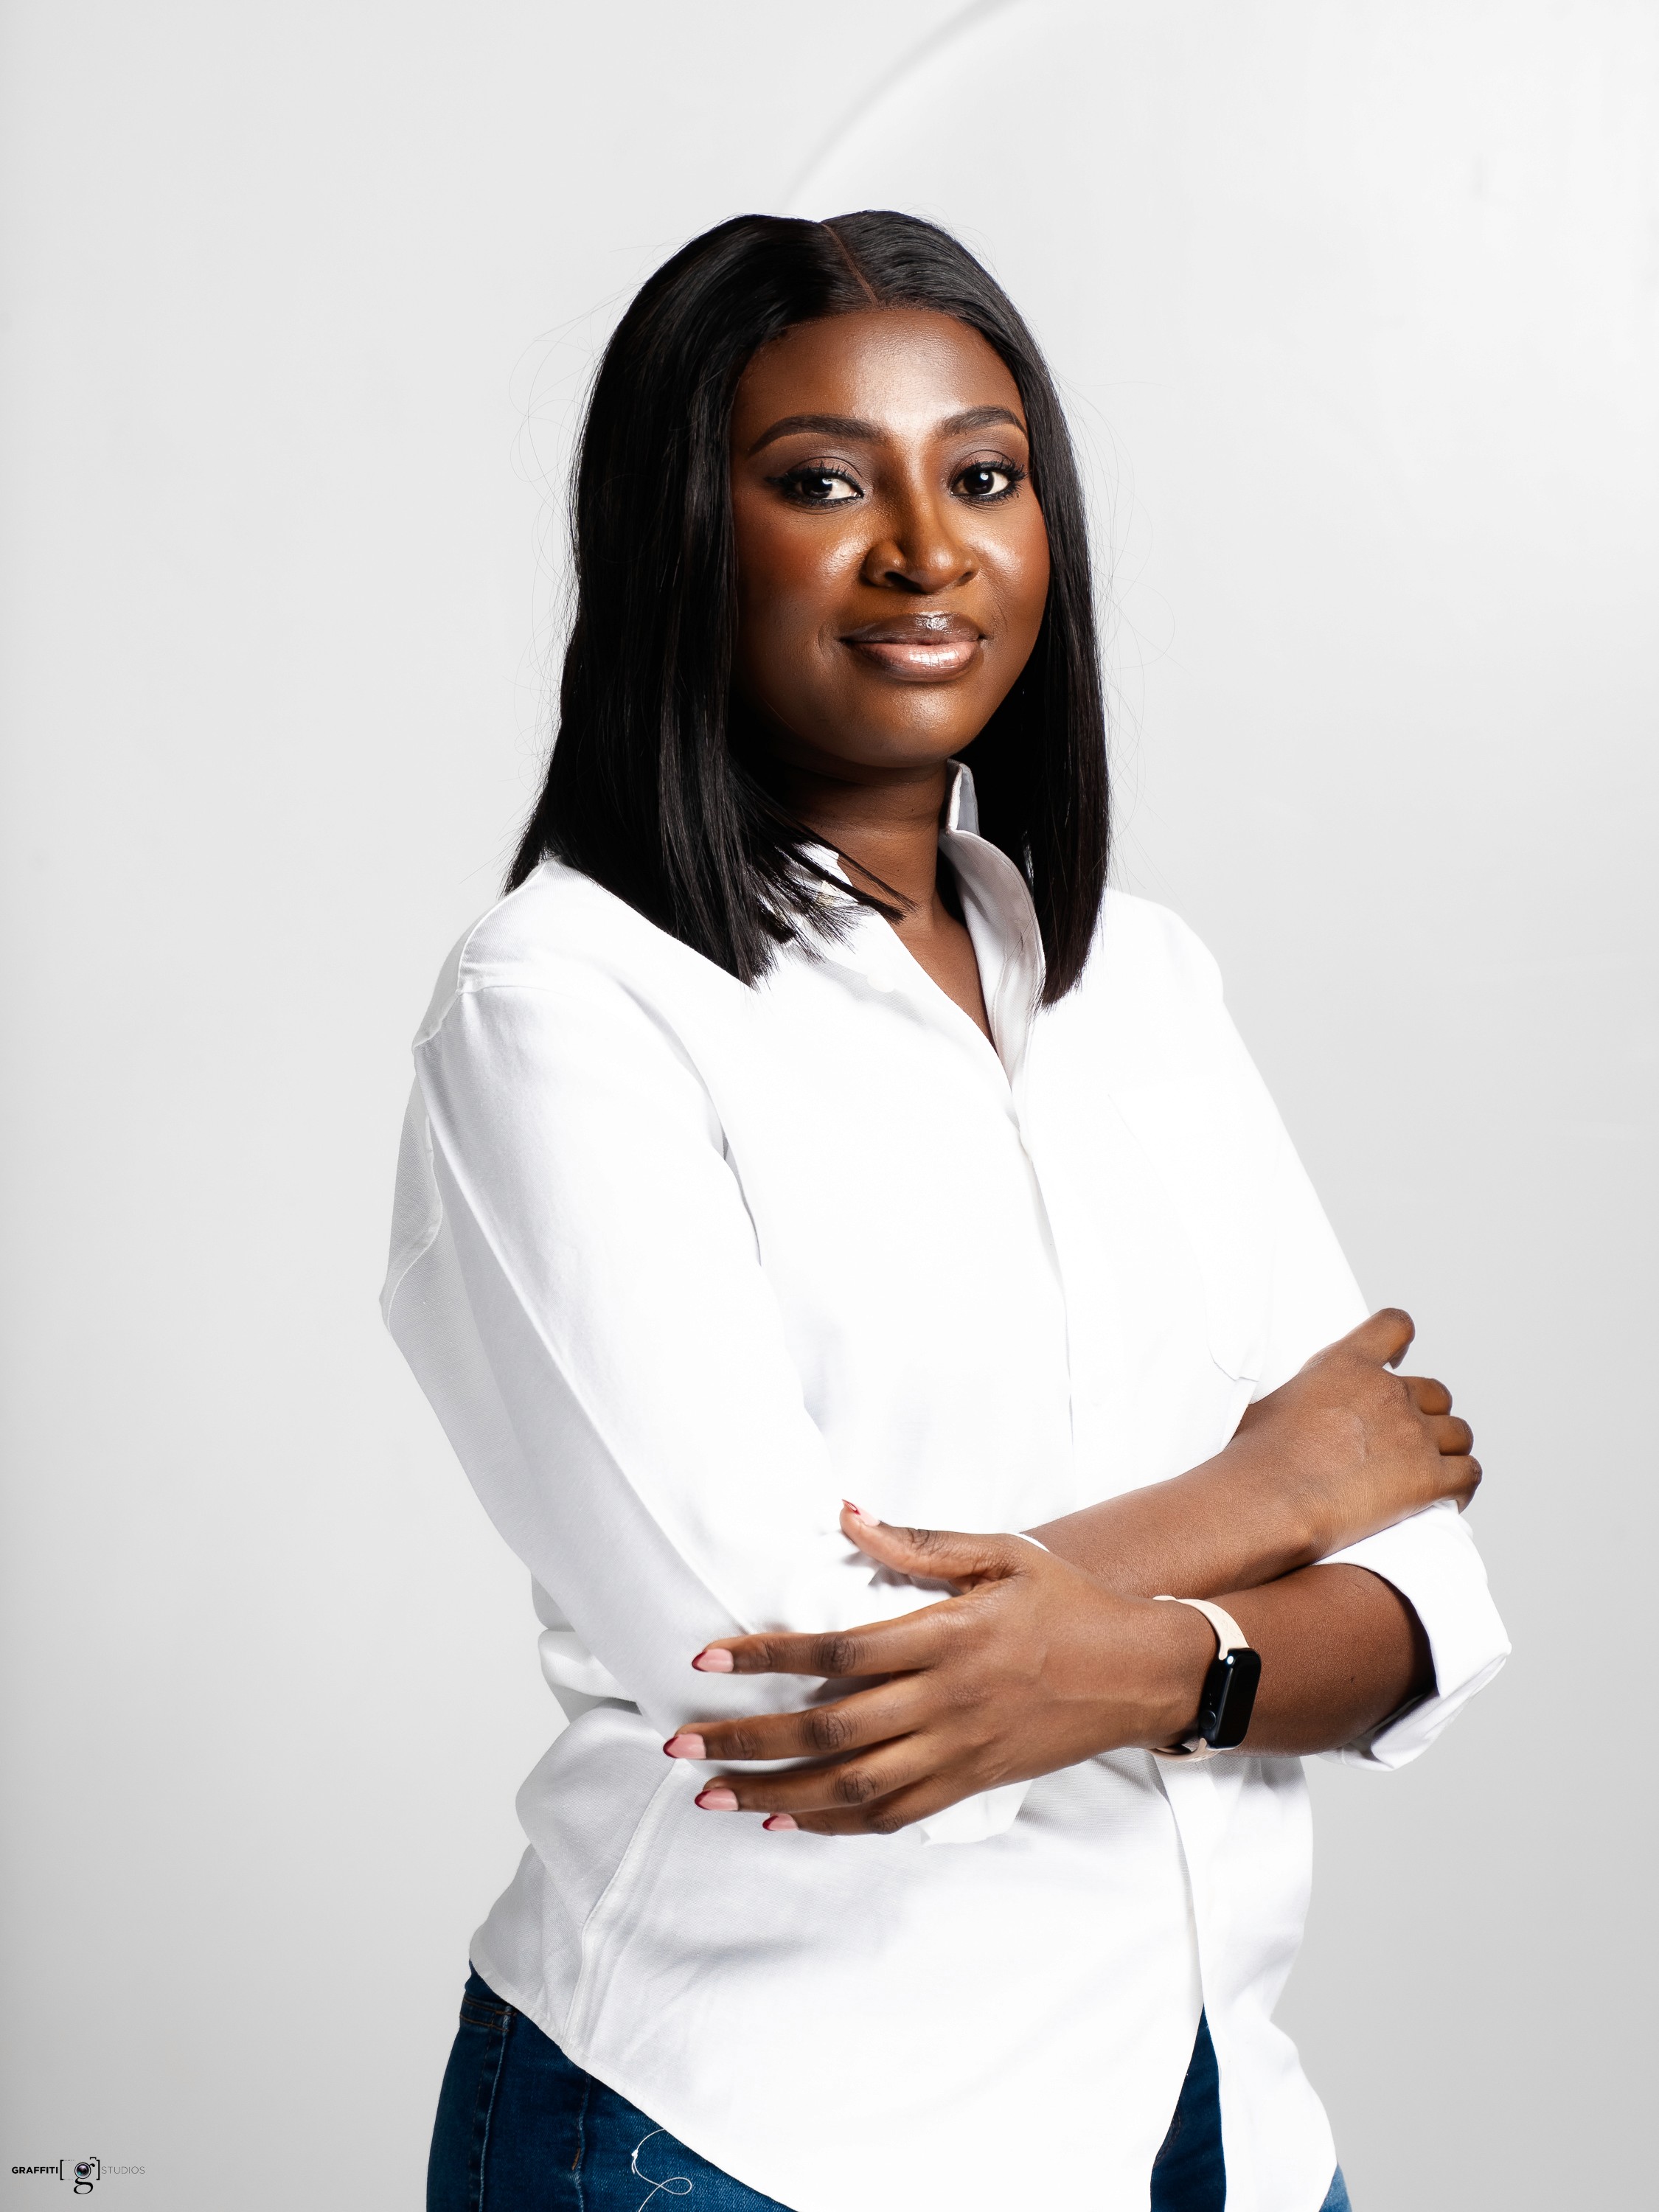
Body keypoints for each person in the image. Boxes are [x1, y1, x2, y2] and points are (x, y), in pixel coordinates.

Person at [384, 212, 1508, 2212]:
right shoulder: (567, 1005)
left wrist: (1152, 1662)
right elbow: (789, 1686)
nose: (927, 551)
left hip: (1219, 2120)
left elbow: (1422, 1595)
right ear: (680, 538)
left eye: (983, 477)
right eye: (824, 484)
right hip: (755, 2137)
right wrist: (1261, 1499)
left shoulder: (1137, 979)